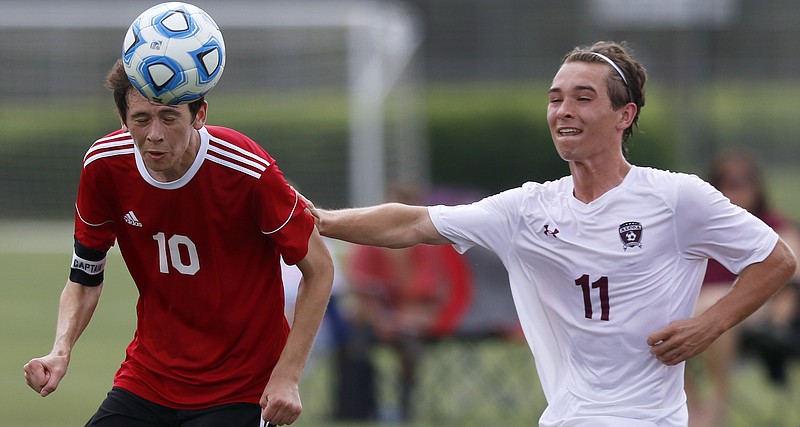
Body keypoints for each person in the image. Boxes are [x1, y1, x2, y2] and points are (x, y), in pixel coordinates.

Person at [301, 41, 798, 426]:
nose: (564, 110)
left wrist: (709, 325)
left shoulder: (676, 196)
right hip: (565, 417)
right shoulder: (527, 208)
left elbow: (776, 260)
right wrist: (316, 219)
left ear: (625, 116)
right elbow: (411, 221)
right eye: (556, 98)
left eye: (584, 98)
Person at [23, 58, 334, 427]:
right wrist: (61, 350)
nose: (154, 134)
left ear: (199, 114)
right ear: (123, 119)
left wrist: (288, 375)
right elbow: (84, 277)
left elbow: (320, 269)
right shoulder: (104, 166)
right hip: (148, 380)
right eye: (141, 119)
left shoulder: (247, 169)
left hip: (242, 389)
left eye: (169, 118)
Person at [687, 149, 800, 427]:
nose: (735, 191)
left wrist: (779, 320)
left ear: (756, 187)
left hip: (751, 307)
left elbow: (791, 269)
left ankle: (719, 400)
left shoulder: (774, 226)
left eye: (743, 183)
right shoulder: (701, 230)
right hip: (695, 306)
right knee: (663, 322)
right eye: (726, 183)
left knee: (715, 307)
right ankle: (689, 407)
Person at [341, 183, 472, 421]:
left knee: (408, 341)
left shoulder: (430, 249)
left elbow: (436, 294)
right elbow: (360, 288)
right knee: (352, 330)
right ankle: (359, 405)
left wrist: (408, 318)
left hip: (414, 322)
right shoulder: (368, 243)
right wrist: (381, 316)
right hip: (374, 319)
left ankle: (403, 407)